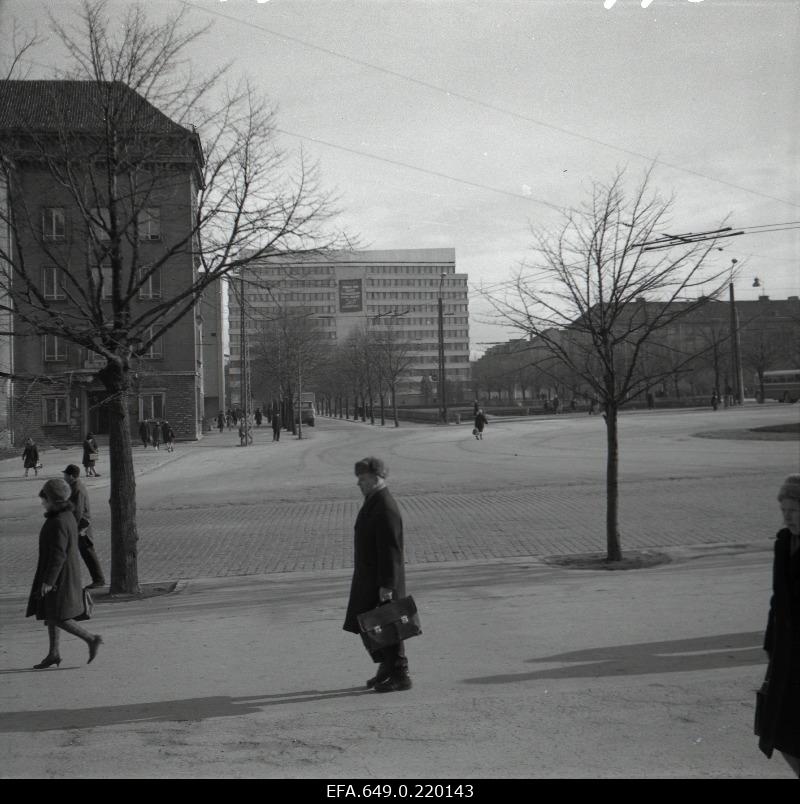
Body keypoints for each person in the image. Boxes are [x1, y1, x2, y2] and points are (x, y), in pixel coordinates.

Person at [343, 457, 412, 693]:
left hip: (381, 580)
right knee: (374, 626)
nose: (359, 484)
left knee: (388, 624)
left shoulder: (385, 506)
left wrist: (387, 584)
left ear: (376, 478)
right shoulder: (374, 500)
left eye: (362, 479)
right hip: (371, 577)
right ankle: (386, 668)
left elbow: (392, 549)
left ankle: (400, 674)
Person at [25, 478, 103, 669]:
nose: (42, 502)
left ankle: (91, 638)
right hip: (63, 572)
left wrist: (49, 581)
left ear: (52, 499)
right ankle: (53, 653)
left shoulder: (59, 521)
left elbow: (58, 554)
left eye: (45, 498)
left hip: (60, 575)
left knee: (57, 616)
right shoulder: (66, 515)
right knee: (51, 612)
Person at [756, 474, 800, 777]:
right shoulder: (783, 543)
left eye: (794, 510)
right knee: (781, 735)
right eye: (784, 510)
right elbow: (776, 601)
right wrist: (771, 646)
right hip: (786, 656)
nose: (788, 517)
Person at [63, 464, 106, 588]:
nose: (64, 477)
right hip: (81, 524)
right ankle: (98, 579)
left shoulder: (77, 488)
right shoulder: (74, 486)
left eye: (65, 475)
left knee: (87, 551)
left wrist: (73, 526)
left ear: (71, 476)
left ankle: (99, 579)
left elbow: (78, 510)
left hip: (82, 525)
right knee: (85, 551)